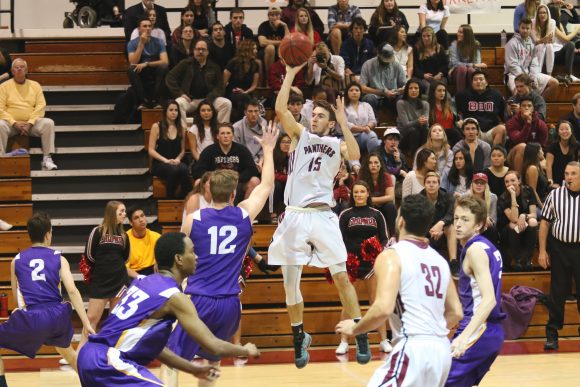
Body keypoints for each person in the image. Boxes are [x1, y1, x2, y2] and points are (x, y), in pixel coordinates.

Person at [269, 61, 371, 368]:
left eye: (320, 116)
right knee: (290, 282)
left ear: (330, 122)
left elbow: (355, 154)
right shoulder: (300, 136)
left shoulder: (335, 142)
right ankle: (299, 337)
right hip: (295, 215)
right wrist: (289, 73)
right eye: (312, 114)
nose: (314, 118)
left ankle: (361, 333)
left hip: (323, 215)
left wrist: (343, 119)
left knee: (341, 276)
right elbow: (280, 110)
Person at [162, 123, 278, 387]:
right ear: (234, 193)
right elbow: (267, 184)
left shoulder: (193, 219)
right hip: (229, 304)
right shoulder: (244, 214)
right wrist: (268, 150)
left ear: (207, 191)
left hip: (198, 299)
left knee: (172, 357)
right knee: (213, 361)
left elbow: (175, 260)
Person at [77, 232, 260, 387]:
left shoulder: (145, 282)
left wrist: (193, 369)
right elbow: (212, 344)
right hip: (108, 361)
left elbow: (156, 348)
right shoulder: (173, 297)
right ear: (179, 259)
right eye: (192, 252)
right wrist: (245, 350)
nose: (197, 257)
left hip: (91, 357)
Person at [336, 194, 463, 387]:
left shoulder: (392, 256)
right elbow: (456, 312)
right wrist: (430, 334)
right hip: (441, 350)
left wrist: (355, 328)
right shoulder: (439, 260)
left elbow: (383, 308)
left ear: (400, 220)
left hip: (413, 347)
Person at [0, 213, 94, 383]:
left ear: (30, 234)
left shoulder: (17, 260)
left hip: (33, 317)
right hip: (57, 317)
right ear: (48, 234)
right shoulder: (59, 257)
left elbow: (17, 294)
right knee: (69, 353)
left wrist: (19, 313)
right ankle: (93, 383)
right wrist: (86, 323)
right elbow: (72, 291)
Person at [445, 196, 505, 387]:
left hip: (480, 329)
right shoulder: (486, 247)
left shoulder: (474, 251)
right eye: (456, 218)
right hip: (488, 330)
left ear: (478, 225)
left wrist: (463, 337)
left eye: (465, 219)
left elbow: (488, 300)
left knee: (437, 379)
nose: (458, 224)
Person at [335, 180, 391, 356]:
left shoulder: (376, 214)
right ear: (352, 195)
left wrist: (377, 252)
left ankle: (383, 340)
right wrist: (351, 254)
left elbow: (384, 238)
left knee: (376, 302)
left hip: (372, 265)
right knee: (348, 302)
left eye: (362, 192)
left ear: (368, 194)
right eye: (356, 192)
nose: (359, 195)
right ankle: (344, 341)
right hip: (352, 263)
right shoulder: (345, 214)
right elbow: (339, 238)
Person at [78, 201, 131, 351]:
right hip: (100, 281)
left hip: (119, 282)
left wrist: (114, 268)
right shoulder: (97, 231)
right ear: (111, 213)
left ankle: (111, 353)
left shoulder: (124, 235)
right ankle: (80, 352)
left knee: (115, 320)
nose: (124, 214)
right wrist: (104, 268)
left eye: (124, 212)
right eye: (121, 212)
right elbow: (89, 255)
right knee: (91, 319)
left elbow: (125, 258)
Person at [539, 161, 580, 350]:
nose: (569, 177)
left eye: (573, 173)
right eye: (566, 173)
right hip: (560, 249)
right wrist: (542, 251)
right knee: (558, 292)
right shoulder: (555, 195)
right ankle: (552, 334)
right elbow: (545, 223)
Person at [0, 58, 57, 170]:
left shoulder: (35, 85)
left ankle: (47, 158)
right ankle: (1, 158)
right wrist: (14, 123)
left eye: (22, 67)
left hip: (31, 124)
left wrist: (30, 123)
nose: (20, 69)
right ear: (12, 71)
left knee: (49, 123)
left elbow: (41, 106)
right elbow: (0, 108)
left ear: (26, 71)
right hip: (11, 125)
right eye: (17, 67)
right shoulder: (4, 86)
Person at [166, 39, 232, 127]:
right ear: (193, 51)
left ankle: (220, 131)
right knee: (178, 103)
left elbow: (220, 87)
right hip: (190, 100)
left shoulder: (214, 67)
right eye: (198, 49)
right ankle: (183, 132)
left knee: (226, 103)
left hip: (209, 99)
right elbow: (170, 77)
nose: (200, 51)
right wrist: (180, 93)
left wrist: (209, 99)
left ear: (208, 52)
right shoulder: (185, 64)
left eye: (203, 49)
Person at [191, 123, 260, 203]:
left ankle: (245, 211)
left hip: (236, 182)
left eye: (228, 133)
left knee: (255, 181)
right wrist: (212, 178)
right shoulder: (209, 151)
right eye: (222, 133)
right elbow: (198, 170)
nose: (225, 136)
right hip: (215, 183)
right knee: (198, 182)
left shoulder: (242, 150)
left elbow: (252, 169)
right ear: (217, 136)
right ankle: (205, 211)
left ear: (233, 136)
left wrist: (238, 178)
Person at [504, 17, 559, 98]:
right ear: (519, 28)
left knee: (554, 83)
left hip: (529, 74)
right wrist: (526, 79)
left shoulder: (531, 43)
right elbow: (512, 65)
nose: (525, 30)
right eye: (523, 28)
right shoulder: (511, 43)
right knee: (518, 91)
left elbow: (534, 62)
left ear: (531, 29)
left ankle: (539, 104)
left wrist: (532, 78)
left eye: (527, 28)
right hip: (513, 74)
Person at [149, 101, 192, 199]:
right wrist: (166, 161)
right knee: (173, 170)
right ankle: (170, 198)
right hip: (160, 162)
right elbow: (151, 150)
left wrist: (177, 159)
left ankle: (185, 195)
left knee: (183, 168)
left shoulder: (181, 127)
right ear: (165, 112)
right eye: (171, 110)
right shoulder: (156, 126)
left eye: (176, 110)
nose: (174, 112)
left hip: (176, 161)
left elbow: (182, 150)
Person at [496, 170, 538, 271]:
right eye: (507, 182)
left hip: (525, 225)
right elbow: (514, 219)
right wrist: (513, 196)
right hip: (509, 230)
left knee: (533, 221)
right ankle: (518, 260)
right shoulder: (503, 198)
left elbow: (534, 214)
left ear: (519, 181)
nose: (510, 184)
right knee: (513, 225)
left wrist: (524, 216)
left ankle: (528, 259)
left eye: (512, 180)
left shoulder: (528, 190)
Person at [455, 70, 507, 146]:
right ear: (472, 83)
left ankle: (495, 154)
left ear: (486, 82)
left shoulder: (496, 95)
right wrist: (460, 120)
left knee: (502, 128)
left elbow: (503, 114)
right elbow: (457, 111)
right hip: (473, 130)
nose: (478, 82)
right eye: (475, 80)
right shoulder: (462, 95)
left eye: (481, 79)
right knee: (471, 124)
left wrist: (504, 121)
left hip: (490, 131)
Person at [127, 17, 169, 109]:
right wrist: (141, 43)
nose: (148, 28)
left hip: (153, 68)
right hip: (141, 70)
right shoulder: (132, 43)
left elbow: (165, 61)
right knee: (131, 69)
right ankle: (143, 101)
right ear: (139, 29)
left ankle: (156, 101)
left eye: (150, 26)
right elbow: (133, 62)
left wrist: (147, 64)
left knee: (164, 67)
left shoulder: (159, 42)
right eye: (145, 26)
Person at [532, 4, 577, 81]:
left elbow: (562, 39)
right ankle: (549, 74)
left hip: (558, 51)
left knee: (571, 46)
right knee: (549, 46)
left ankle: (568, 75)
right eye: (540, 13)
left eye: (544, 13)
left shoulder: (555, 23)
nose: (560, 14)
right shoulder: (537, 24)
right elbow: (565, 39)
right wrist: (576, 30)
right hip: (548, 52)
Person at [421, 171, 457, 263]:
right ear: (424, 185)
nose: (431, 185)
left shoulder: (448, 197)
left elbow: (451, 215)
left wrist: (441, 224)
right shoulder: (419, 199)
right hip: (425, 234)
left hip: (444, 233)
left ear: (439, 185)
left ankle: (453, 261)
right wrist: (430, 233)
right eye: (428, 182)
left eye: (434, 182)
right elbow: (417, 221)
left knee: (451, 227)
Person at [360, 43, 406, 113]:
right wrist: (382, 92)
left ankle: (399, 122)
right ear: (378, 54)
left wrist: (401, 90)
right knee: (369, 98)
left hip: (393, 96)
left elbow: (405, 85)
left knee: (402, 98)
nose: (386, 62)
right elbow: (362, 88)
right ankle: (373, 122)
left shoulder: (396, 65)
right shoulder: (368, 65)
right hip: (375, 95)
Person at [358, 153, 397, 236]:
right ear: (367, 165)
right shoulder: (362, 176)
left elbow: (390, 197)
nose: (373, 165)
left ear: (380, 164)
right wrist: (371, 201)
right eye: (370, 163)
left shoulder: (386, 176)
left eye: (376, 162)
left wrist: (372, 199)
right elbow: (359, 195)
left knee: (390, 207)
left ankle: (393, 236)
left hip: (383, 205)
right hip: (367, 205)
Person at [224, 40, 260, 122]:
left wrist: (245, 92)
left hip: (247, 93)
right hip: (232, 92)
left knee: (244, 99)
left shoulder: (255, 65)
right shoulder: (233, 62)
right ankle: (242, 124)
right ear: (247, 49)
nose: (256, 51)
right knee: (243, 99)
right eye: (254, 49)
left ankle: (242, 124)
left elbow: (254, 85)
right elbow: (224, 82)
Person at [449, 24, 487, 94]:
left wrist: (474, 66)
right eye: (458, 31)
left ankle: (472, 95)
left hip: (470, 71)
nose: (458, 34)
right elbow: (455, 63)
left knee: (470, 70)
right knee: (462, 68)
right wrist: (473, 65)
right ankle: (461, 96)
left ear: (467, 34)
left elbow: (478, 62)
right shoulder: (454, 44)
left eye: (461, 32)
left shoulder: (476, 44)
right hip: (456, 72)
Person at [396, 78, 430, 155]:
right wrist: (418, 121)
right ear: (407, 90)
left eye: (416, 88)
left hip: (420, 132)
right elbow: (406, 124)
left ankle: (424, 154)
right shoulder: (401, 103)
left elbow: (426, 124)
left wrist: (423, 122)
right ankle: (413, 155)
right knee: (414, 131)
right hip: (404, 135)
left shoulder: (425, 104)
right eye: (410, 88)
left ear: (419, 90)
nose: (413, 90)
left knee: (426, 130)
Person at [464, 172, 499, 246]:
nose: (479, 185)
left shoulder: (493, 197)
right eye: (476, 182)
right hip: (470, 224)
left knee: (492, 230)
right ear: (472, 184)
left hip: (486, 226)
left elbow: (493, 221)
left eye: (482, 183)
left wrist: (485, 221)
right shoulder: (465, 197)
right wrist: (482, 218)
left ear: (486, 185)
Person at [344, 82, 380, 153]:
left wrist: (368, 127)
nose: (354, 92)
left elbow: (373, 121)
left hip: (363, 136)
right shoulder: (343, 107)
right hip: (348, 138)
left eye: (357, 90)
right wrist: (364, 129)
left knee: (372, 135)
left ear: (360, 93)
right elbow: (345, 125)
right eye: (351, 90)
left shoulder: (366, 105)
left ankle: (374, 159)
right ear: (347, 93)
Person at [126, 207, 161, 278]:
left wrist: (159, 262)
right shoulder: (125, 239)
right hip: (134, 274)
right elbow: (124, 268)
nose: (141, 220)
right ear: (130, 223)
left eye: (142, 216)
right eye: (136, 218)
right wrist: (140, 277)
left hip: (152, 271)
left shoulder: (156, 237)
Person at [412, 26, 448, 94]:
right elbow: (415, 67)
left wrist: (440, 74)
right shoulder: (417, 48)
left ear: (433, 37)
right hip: (422, 78)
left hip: (439, 77)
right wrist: (423, 75)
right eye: (424, 36)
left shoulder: (439, 48)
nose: (426, 38)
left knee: (440, 87)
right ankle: (430, 103)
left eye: (428, 36)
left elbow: (445, 65)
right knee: (429, 86)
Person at [233, 99, 268, 167]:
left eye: (256, 111)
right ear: (245, 112)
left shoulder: (264, 123)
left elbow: (265, 146)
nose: (254, 114)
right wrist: (252, 162)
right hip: (243, 161)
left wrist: (261, 160)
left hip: (261, 160)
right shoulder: (236, 127)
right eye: (250, 111)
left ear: (259, 112)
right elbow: (236, 149)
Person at [340, 17, 375, 83]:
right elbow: (345, 66)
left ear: (364, 30)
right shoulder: (345, 44)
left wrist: (364, 79)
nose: (358, 31)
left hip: (365, 76)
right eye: (356, 28)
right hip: (350, 75)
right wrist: (355, 79)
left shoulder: (370, 44)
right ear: (352, 30)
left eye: (361, 28)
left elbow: (372, 64)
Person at [258, 6, 289, 76]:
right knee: (270, 47)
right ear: (268, 16)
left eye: (277, 15)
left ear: (280, 16)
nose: (274, 17)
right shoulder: (263, 26)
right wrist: (281, 42)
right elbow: (262, 42)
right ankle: (269, 76)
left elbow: (288, 42)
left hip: (279, 52)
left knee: (285, 49)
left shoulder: (283, 26)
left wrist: (285, 26)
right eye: (272, 15)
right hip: (264, 53)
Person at [546, 120, 578, 188]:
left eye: (567, 129)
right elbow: (548, 166)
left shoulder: (577, 146)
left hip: (573, 182)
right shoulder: (552, 147)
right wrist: (551, 183)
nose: (564, 131)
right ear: (558, 132)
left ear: (571, 131)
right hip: (556, 183)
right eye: (561, 129)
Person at [428, 81, 461, 146]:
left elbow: (454, 121)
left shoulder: (448, 105)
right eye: (439, 90)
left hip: (451, 134)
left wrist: (459, 122)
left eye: (444, 91)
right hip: (437, 134)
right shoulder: (428, 106)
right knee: (454, 133)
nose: (442, 93)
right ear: (433, 92)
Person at [187, 100, 218, 165]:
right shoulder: (194, 129)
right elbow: (194, 151)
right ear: (199, 112)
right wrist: (202, 162)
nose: (206, 113)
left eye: (209, 110)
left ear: (213, 112)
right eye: (203, 110)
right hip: (201, 161)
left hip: (217, 161)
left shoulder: (218, 128)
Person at [521, 142, 549, 207]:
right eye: (541, 150)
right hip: (535, 205)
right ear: (537, 153)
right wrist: (542, 207)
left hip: (543, 200)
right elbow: (533, 191)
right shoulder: (532, 168)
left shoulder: (538, 166)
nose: (543, 152)